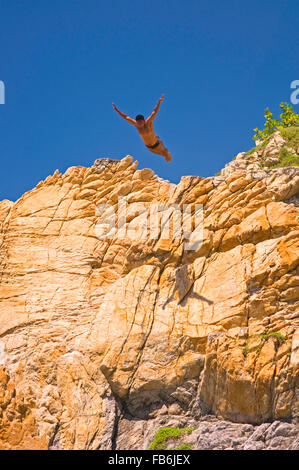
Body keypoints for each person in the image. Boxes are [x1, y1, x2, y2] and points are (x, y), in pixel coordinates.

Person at [112, 94, 172, 162]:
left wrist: (160, 102)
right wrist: (117, 110)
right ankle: (166, 154)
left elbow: (154, 112)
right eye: (138, 123)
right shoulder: (136, 124)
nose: (140, 124)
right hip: (149, 148)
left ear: (144, 121)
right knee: (163, 155)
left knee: (167, 156)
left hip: (158, 144)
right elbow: (126, 117)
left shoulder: (148, 122)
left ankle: (168, 154)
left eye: (141, 123)